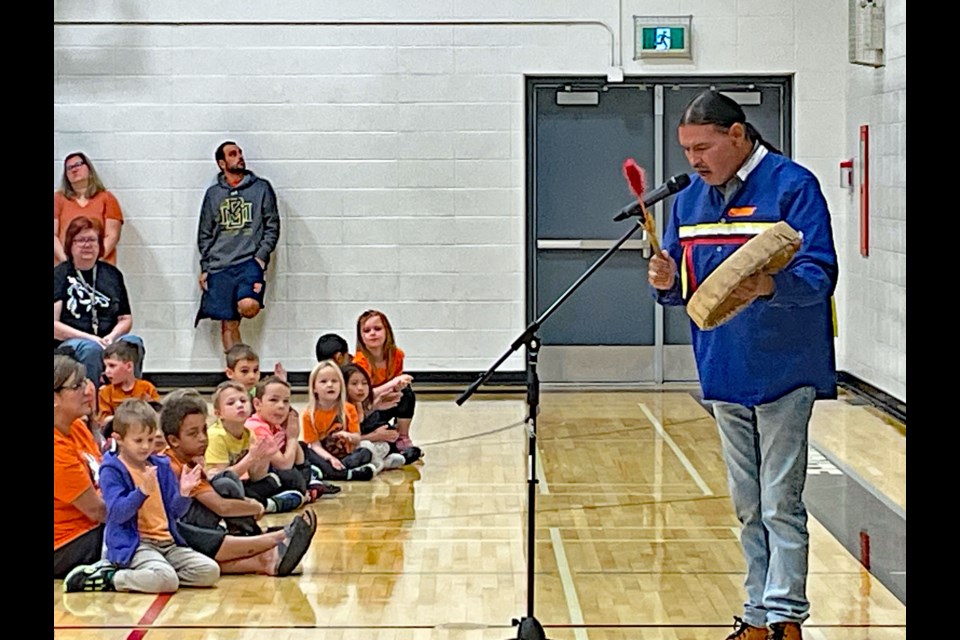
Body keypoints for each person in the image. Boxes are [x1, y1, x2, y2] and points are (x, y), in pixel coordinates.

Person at [647, 90, 838, 640]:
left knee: (781, 499)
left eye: (702, 147)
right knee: (747, 504)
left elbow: (820, 274)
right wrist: (666, 284)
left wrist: (770, 283)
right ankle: (756, 613)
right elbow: (689, 288)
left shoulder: (792, 186)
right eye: (686, 151)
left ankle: (786, 616)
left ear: (738, 135)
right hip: (722, 367)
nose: (694, 161)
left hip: (784, 367)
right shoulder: (688, 202)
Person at [63, 399, 221, 593]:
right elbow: (117, 514)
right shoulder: (112, 469)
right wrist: (141, 492)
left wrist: (184, 493)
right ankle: (111, 577)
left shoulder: (161, 465)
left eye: (151, 439)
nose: (146, 446)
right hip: (137, 544)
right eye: (138, 440)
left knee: (210, 571)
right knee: (167, 581)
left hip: (167, 542)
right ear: (118, 439)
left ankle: (154, 574)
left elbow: (175, 512)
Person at [159, 390, 317, 576]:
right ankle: (275, 539)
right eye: (193, 434)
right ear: (173, 440)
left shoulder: (188, 460)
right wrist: (256, 507)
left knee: (226, 482)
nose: (203, 438)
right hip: (172, 533)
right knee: (192, 532)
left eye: (204, 430)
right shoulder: (175, 466)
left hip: (186, 526)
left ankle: (262, 551)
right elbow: (221, 507)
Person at [195, 141, 281, 354]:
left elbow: (272, 226)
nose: (240, 157)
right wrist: (206, 267)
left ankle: (241, 368)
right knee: (228, 323)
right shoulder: (213, 194)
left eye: (240, 152)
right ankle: (237, 374)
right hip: (219, 264)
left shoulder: (261, 188)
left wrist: (260, 257)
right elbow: (205, 233)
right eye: (233, 154)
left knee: (248, 306)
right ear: (222, 163)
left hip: (248, 262)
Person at [54, 216, 145, 390]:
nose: (87, 245)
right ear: (70, 245)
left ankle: (131, 403)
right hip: (74, 341)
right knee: (91, 350)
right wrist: (91, 338)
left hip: (107, 338)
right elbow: (55, 326)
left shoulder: (112, 274)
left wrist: (111, 337)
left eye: (92, 240)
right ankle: (92, 406)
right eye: (80, 240)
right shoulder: (59, 275)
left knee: (133, 342)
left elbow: (125, 318)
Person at [206, 380, 318, 512]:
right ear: (219, 413)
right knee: (229, 487)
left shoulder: (249, 433)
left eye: (243, 401)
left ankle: (266, 504)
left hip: (242, 483)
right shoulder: (216, 435)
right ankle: (267, 505)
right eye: (231, 403)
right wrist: (251, 458)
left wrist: (264, 457)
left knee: (271, 481)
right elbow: (223, 478)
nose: (239, 405)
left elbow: (256, 477)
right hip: (217, 488)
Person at [54, 355, 107, 579]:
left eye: (85, 382)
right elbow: (98, 510)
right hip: (66, 545)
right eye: (77, 386)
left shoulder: (76, 426)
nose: (87, 391)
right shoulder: (56, 451)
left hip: (93, 530)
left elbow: (105, 479)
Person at [246, 376, 329, 500]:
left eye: (286, 401)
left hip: (278, 471)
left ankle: (308, 486)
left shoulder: (275, 426)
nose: (281, 406)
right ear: (257, 404)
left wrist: (291, 438)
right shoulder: (256, 426)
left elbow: (299, 462)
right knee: (291, 478)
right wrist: (292, 437)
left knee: (303, 448)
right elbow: (284, 465)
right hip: (253, 481)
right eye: (274, 400)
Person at [301, 361, 382, 480]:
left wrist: (348, 436)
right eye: (323, 381)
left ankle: (331, 472)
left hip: (347, 456)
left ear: (341, 385)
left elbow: (357, 438)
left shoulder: (348, 408)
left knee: (366, 450)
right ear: (314, 388)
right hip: (324, 457)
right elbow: (315, 445)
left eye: (334, 381)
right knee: (304, 449)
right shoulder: (308, 415)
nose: (330, 385)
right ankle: (347, 473)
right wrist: (330, 458)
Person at [353, 310, 419, 453]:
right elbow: (363, 395)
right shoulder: (360, 362)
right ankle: (380, 437)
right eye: (366, 330)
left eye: (377, 329)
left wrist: (398, 386)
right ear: (361, 336)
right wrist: (392, 384)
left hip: (386, 402)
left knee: (407, 393)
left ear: (387, 331)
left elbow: (395, 385)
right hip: (367, 408)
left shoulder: (397, 355)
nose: (372, 333)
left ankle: (403, 436)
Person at [342, 363, 421, 465]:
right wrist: (375, 436)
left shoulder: (357, 402)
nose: (360, 388)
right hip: (342, 451)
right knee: (366, 448)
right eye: (354, 383)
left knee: (387, 440)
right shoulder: (340, 407)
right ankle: (382, 464)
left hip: (361, 439)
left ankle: (389, 456)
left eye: (365, 383)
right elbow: (342, 442)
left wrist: (376, 406)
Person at [54, 152, 124, 267]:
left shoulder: (107, 198)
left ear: (89, 168)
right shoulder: (57, 199)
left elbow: (112, 236)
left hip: (101, 267)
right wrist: (68, 263)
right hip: (65, 268)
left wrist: (92, 262)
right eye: (69, 168)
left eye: (78, 165)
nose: (74, 170)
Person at [97, 340, 160, 423]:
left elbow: (157, 415)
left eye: (112, 366)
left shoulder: (147, 388)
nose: (107, 371)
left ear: (129, 366)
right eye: (105, 366)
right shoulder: (105, 392)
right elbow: (104, 421)